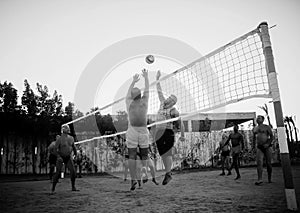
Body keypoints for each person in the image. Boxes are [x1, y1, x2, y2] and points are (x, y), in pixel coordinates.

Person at [155, 70, 185, 185]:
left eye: (171, 99)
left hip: (168, 132)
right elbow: (159, 91)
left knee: (167, 154)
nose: (168, 99)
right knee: (162, 154)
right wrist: (157, 78)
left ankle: (168, 174)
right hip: (158, 132)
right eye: (169, 97)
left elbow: (181, 122)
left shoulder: (174, 111)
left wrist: (182, 135)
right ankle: (168, 173)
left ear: (173, 102)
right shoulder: (162, 103)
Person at [125, 69, 150, 191]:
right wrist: (146, 78)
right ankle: (144, 171)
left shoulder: (129, 102)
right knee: (144, 154)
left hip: (133, 130)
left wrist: (133, 81)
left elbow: (129, 93)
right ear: (140, 95)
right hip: (143, 130)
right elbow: (147, 90)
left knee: (132, 156)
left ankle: (133, 179)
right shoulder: (144, 101)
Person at [51, 125, 78, 194]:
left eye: (68, 128)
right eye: (66, 129)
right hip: (61, 157)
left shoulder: (71, 138)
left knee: (73, 172)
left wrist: (75, 154)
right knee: (57, 173)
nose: (68, 129)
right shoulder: (59, 139)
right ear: (63, 130)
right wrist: (58, 156)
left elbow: (74, 147)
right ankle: (53, 188)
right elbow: (55, 149)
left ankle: (73, 187)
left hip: (68, 157)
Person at [253, 115, 274, 185]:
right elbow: (254, 138)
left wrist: (268, 144)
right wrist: (254, 146)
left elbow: (271, 136)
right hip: (259, 147)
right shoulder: (255, 128)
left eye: (259, 118)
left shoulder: (266, 127)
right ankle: (260, 179)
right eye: (257, 118)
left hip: (267, 146)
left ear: (262, 119)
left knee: (268, 163)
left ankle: (269, 178)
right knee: (259, 162)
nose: (257, 119)